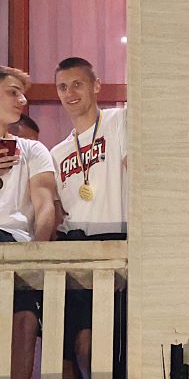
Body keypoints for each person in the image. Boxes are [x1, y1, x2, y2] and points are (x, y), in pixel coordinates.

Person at [50, 57, 127, 379]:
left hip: (117, 241)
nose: (69, 93)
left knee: (114, 346)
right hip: (75, 248)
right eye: (62, 87)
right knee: (81, 347)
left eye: (77, 84)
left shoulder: (119, 121)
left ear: (96, 86)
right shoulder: (56, 153)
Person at [0, 67, 57, 379]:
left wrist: (38, 253)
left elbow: (45, 203)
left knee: (24, 319)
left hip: (18, 246)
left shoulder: (33, 150)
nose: (22, 100)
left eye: (22, 94)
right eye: (12, 92)